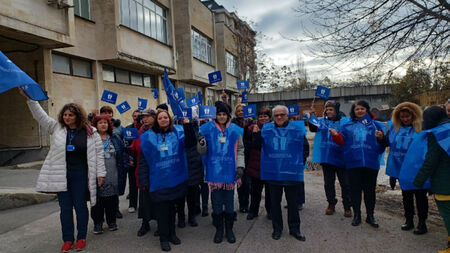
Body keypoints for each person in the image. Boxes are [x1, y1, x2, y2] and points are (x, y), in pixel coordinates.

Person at [19, 88, 106, 252]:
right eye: (65, 115)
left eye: (70, 115)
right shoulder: (56, 128)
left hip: (81, 175)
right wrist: (30, 100)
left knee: (80, 207)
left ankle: (81, 238)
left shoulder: (90, 132)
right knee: (65, 208)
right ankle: (67, 239)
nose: (67, 117)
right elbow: (41, 116)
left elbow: (99, 154)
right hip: (61, 175)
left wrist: (101, 174)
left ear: (78, 116)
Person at [139, 109, 196, 251]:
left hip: (175, 180)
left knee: (172, 210)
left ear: (169, 119)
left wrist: (187, 125)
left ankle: (172, 234)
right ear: (156, 121)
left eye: (166, 117)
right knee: (162, 212)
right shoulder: (148, 137)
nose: (163, 119)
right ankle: (163, 238)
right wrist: (144, 181)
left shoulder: (177, 132)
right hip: (158, 182)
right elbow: (143, 161)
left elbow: (190, 143)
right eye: (160, 118)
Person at [331, 100, 386, 228]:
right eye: (357, 109)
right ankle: (357, 215)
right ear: (353, 111)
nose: (360, 111)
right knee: (354, 190)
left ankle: (370, 216)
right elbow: (341, 142)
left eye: (362, 108)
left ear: (367, 110)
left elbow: (382, 143)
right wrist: (335, 136)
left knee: (370, 191)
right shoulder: (347, 126)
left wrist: (380, 138)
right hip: (353, 163)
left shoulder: (375, 125)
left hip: (370, 163)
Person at [258, 105, 309, 241]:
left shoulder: (297, 130)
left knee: (293, 203)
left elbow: (305, 148)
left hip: (291, 173)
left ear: (287, 116)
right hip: (273, 173)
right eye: (277, 115)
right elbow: (258, 146)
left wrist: (299, 162)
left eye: (282, 114)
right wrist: (256, 134)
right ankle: (277, 229)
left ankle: (295, 229)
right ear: (273, 117)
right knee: (275, 203)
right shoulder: (266, 129)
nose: (279, 117)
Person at [376, 102, 427, 234]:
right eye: (402, 117)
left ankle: (422, 223)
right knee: (406, 196)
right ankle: (409, 220)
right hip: (401, 168)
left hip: (417, 168)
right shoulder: (394, 127)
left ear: (413, 115)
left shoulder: (422, 127)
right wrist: (381, 138)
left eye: (407, 116)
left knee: (420, 196)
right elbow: (387, 143)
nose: (405, 119)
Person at [197, 101, 245, 244]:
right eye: (219, 114)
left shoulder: (236, 130)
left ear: (228, 115)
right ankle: (219, 229)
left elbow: (240, 149)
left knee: (229, 203)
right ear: (215, 116)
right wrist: (201, 143)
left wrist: (240, 166)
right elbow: (201, 151)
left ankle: (229, 229)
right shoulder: (206, 129)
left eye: (224, 114)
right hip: (214, 174)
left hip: (230, 173)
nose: (222, 117)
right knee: (216, 203)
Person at [413, 106, 450, 253]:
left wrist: (417, 181)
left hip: (444, 183)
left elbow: (431, 161)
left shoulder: (436, 134)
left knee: (448, 215)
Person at [310, 101, 352, 217]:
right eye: (327, 109)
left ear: (337, 110)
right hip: (327, 158)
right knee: (328, 183)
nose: (328, 112)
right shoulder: (323, 121)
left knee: (345, 184)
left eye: (331, 109)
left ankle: (347, 206)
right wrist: (312, 115)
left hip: (341, 158)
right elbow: (313, 128)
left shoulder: (345, 122)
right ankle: (331, 204)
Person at [90, 115, 128, 234]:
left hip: (113, 174)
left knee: (112, 200)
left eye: (105, 123)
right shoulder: (91, 138)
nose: (103, 125)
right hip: (97, 175)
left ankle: (112, 221)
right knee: (98, 201)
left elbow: (122, 153)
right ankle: (98, 223)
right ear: (95, 125)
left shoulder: (115, 137)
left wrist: (127, 163)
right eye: (100, 122)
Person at [131, 108, 157, 237]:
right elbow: (135, 148)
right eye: (143, 117)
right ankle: (145, 223)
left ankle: (160, 223)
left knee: (159, 197)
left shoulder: (159, 130)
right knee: (144, 197)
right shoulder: (139, 132)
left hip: (158, 169)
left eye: (147, 116)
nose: (145, 119)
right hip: (143, 168)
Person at [174, 116, 204, 228]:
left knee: (192, 194)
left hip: (192, 165)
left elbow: (193, 142)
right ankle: (181, 217)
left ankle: (192, 216)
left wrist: (187, 125)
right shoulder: (174, 130)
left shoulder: (196, 130)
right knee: (180, 195)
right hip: (180, 165)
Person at [245, 107, 272, 220]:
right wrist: (246, 126)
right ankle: (253, 211)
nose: (263, 118)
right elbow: (246, 141)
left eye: (265, 116)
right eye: (261, 116)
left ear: (270, 118)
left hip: (270, 165)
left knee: (270, 192)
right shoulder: (252, 128)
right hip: (256, 164)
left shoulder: (274, 128)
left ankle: (270, 211)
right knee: (255, 191)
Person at [100, 105, 124, 219]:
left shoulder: (118, 128)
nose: (107, 114)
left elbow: (123, 144)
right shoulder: (95, 132)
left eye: (109, 112)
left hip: (114, 164)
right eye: (104, 112)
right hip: (101, 166)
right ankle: (102, 214)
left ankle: (115, 210)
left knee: (114, 188)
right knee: (101, 191)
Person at [231, 104, 253, 213]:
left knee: (248, 182)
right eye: (238, 111)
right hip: (238, 154)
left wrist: (247, 127)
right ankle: (241, 204)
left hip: (249, 155)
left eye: (242, 111)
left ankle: (247, 203)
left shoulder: (251, 122)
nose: (241, 112)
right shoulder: (233, 122)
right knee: (240, 180)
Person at [125, 110, 142, 214]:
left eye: (138, 116)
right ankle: (132, 204)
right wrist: (130, 158)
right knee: (132, 183)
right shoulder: (128, 128)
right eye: (134, 116)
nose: (136, 118)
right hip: (132, 159)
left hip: (141, 158)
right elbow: (126, 145)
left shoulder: (144, 128)